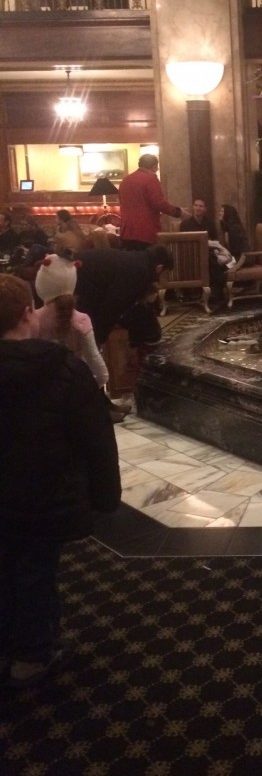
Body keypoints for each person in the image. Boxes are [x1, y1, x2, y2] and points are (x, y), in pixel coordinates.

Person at [0, 273, 121, 688]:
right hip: (43, 495)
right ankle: (32, 654)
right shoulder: (63, 368)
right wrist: (106, 495)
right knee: (36, 572)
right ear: (26, 314)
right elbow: (95, 437)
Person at [73, 244, 173, 348]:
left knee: (145, 322)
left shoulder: (139, 261)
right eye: (166, 274)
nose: (166, 280)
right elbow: (112, 307)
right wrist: (99, 340)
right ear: (159, 268)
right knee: (151, 331)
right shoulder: (139, 271)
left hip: (80, 277)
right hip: (78, 283)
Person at [34, 252, 109, 390]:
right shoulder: (82, 320)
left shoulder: (34, 319)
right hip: (75, 387)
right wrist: (92, 387)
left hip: (44, 388)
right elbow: (97, 364)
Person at [118, 153, 189, 250]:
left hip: (126, 232)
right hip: (144, 232)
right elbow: (158, 203)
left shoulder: (125, 180)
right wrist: (179, 212)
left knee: (132, 263)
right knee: (148, 263)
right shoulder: (151, 179)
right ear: (154, 166)